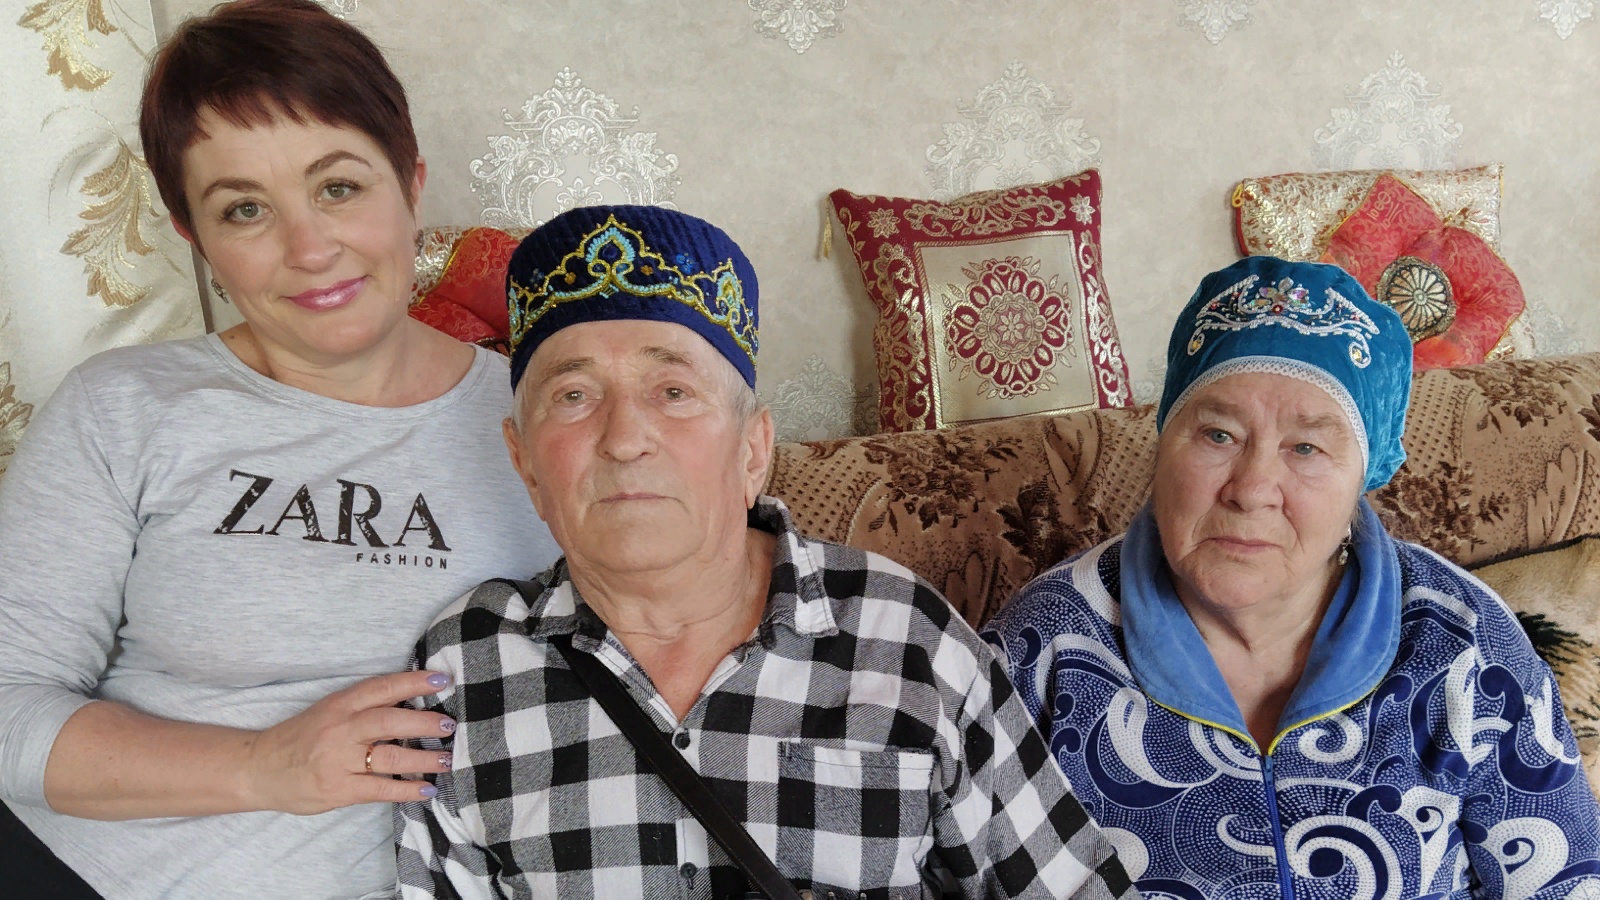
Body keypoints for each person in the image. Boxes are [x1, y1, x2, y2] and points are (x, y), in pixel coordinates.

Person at [393, 204, 1135, 899]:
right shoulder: (464, 671)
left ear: (753, 450)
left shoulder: (907, 639)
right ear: (525, 462)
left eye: (673, 391)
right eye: (574, 396)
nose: (624, 438)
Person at [0, 1, 561, 897]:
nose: (309, 249)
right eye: (245, 209)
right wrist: (265, 766)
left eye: (338, 188)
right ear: (195, 238)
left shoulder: (548, 423)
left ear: (411, 184)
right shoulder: (121, 410)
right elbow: (8, 705)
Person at [982, 256, 1600, 899]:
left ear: (1364, 476)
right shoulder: (1040, 653)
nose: (1252, 489)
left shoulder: (1462, 641)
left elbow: (1564, 883)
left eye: (1306, 448)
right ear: (1164, 443)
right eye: (1218, 435)